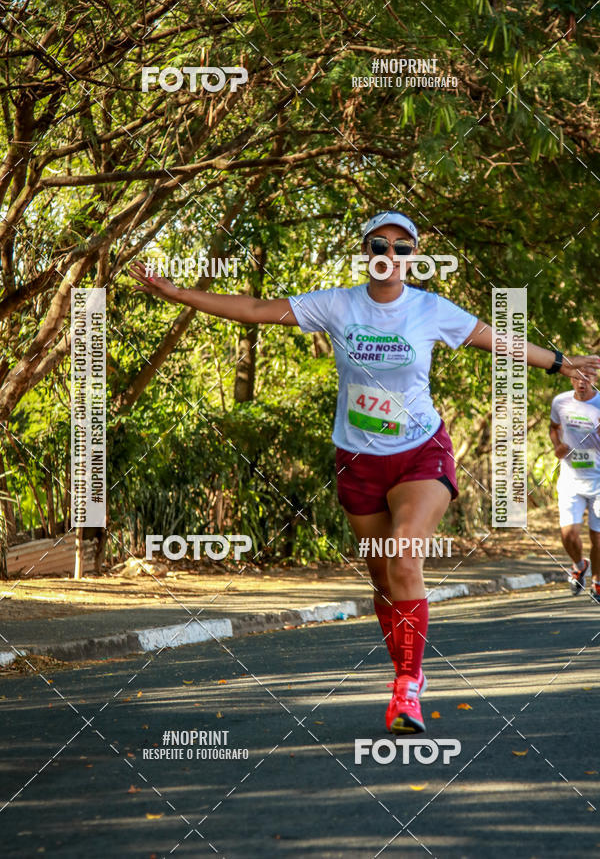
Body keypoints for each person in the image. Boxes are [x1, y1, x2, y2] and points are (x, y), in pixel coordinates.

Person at [129, 210, 600, 734]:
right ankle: (403, 672)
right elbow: (256, 310)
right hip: (358, 463)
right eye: (380, 245)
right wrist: (177, 293)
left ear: (415, 257)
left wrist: (562, 362)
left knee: (403, 555)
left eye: (402, 247)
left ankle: (408, 686)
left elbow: (498, 340)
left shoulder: (430, 309)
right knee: (383, 580)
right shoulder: (338, 304)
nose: (390, 255)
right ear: (366, 252)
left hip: (421, 453)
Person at [549, 374, 600, 602]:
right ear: (571, 379)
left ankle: (597, 582)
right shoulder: (560, 402)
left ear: (594, 378)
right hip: (571, 479)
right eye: (577, 377)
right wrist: (557, 446)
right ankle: (580, 566)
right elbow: (553, 427)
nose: (582, 382)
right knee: (568, 535)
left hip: (598, 480)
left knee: (597, 538)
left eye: (587, 378)